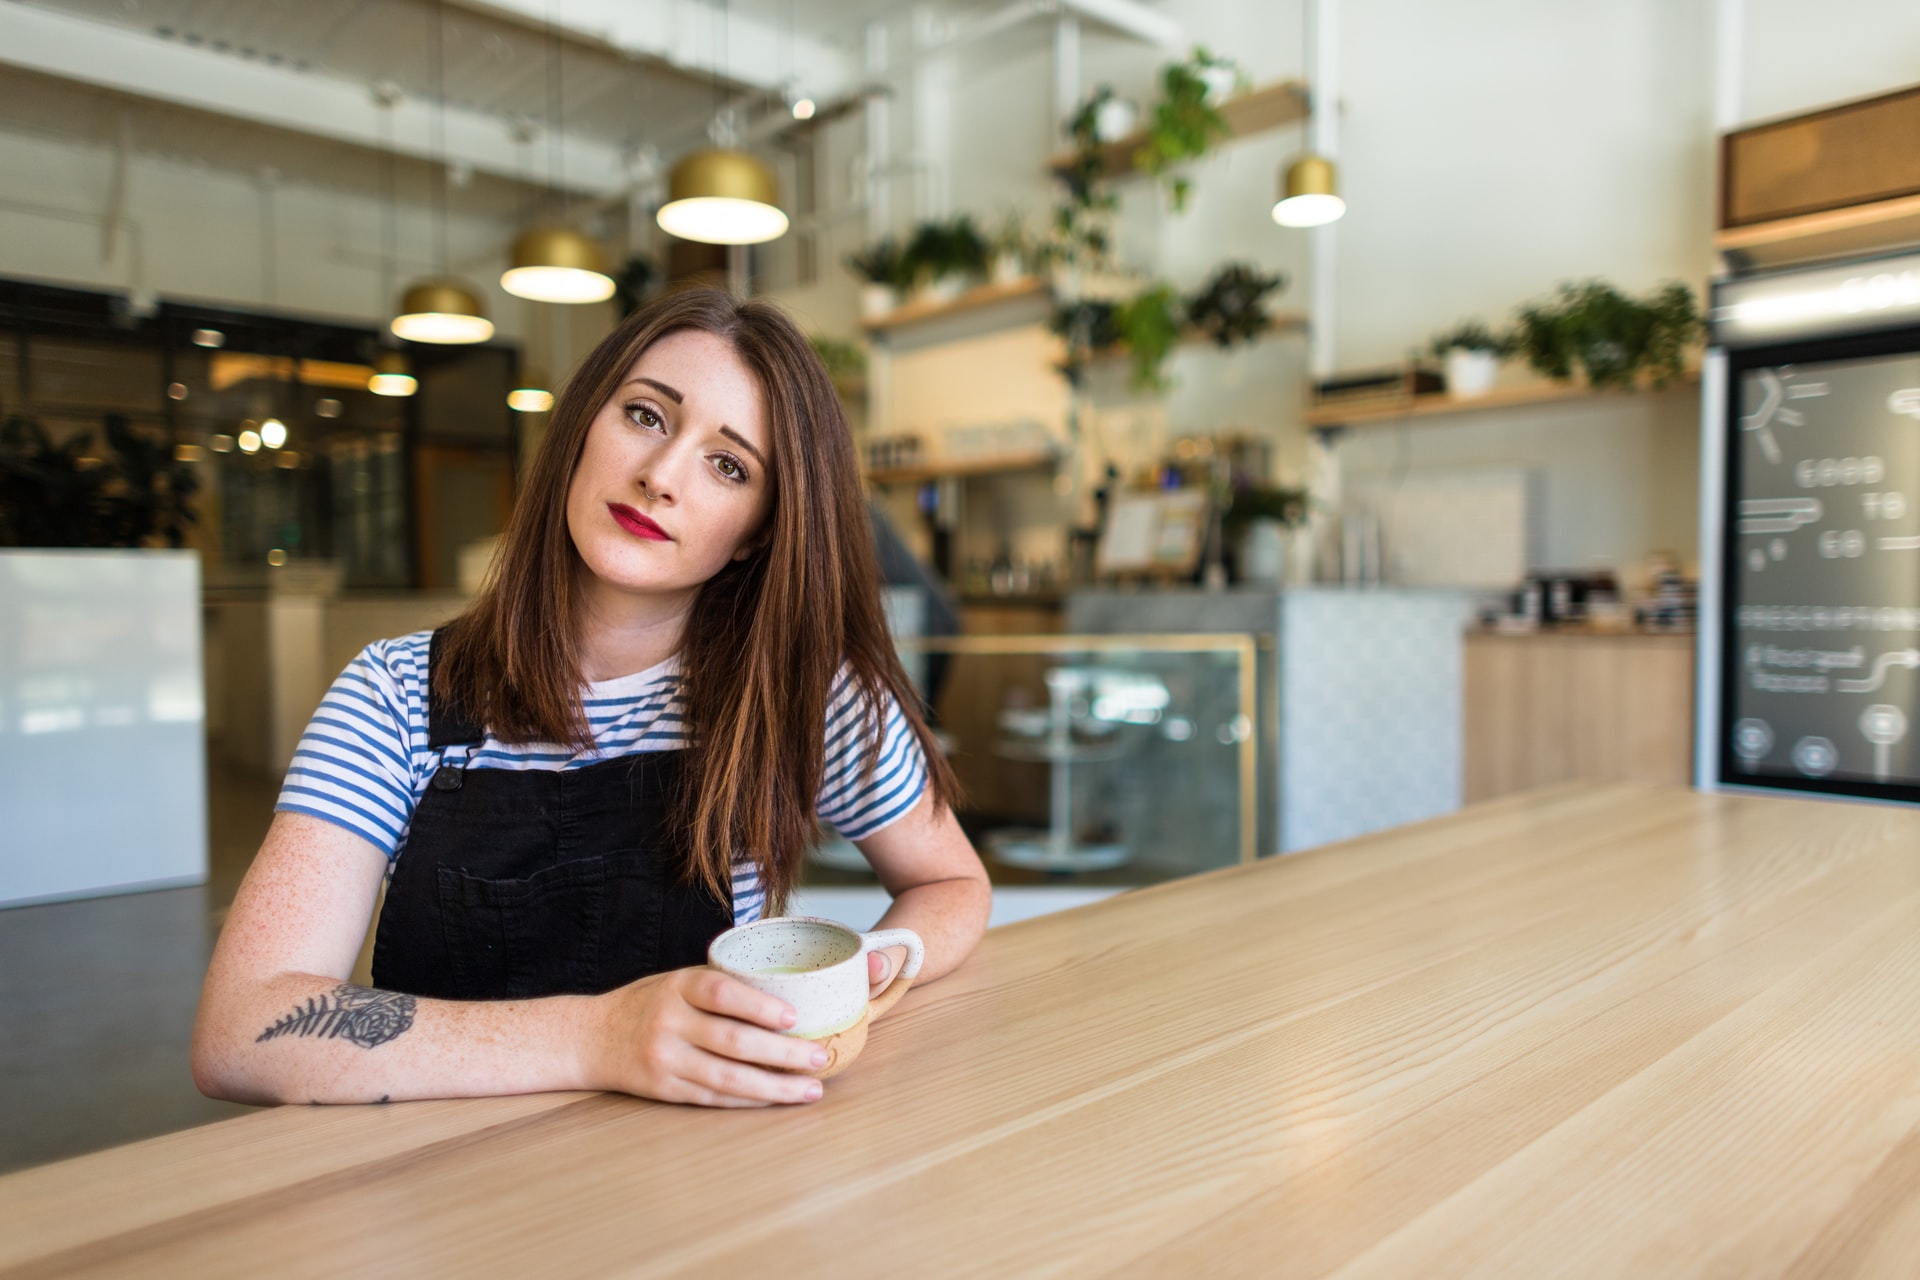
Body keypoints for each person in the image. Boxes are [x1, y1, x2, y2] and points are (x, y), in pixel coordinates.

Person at [192, 288, 991, 1109]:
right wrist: (601, 1038)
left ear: (757, 528)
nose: (660, 477)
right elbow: (239, 1030)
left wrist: (862, 974)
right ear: (580, 426)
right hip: (438, 1183)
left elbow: (953, 886)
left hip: (707, 1177)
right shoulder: (394, 695)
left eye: (729, 465)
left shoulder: (803, 695)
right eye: (646, 416)